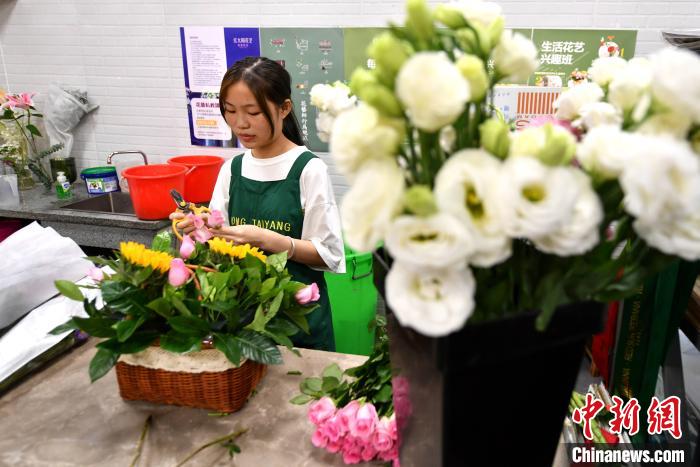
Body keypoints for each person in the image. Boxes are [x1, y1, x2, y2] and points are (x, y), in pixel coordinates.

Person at [170, 56, 345, 352]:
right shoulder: (232, 169)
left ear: (284, 108)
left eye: (253, 112)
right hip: (242, 319)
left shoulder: (308, 169)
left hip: (298, 321)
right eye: (230, 111)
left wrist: (270, 240)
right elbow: (216, 239)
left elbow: (327, 255)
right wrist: (197, 227)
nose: (240, 123)